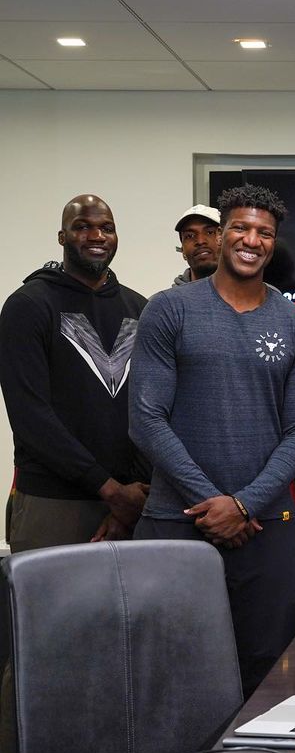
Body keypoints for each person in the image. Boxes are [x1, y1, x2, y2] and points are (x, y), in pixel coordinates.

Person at [129, 184, 295, 697]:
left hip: (269, 529)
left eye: (264, 233)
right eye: (240, 227)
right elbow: (146, 419)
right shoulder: (169, 309)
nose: (251, 240)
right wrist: (213, 503)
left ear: (274, 243)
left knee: (267, 676)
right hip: (176, 523)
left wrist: (244, 504)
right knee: (169, 675)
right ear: (220, 235)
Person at [0, 194, 149, 552]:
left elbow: (153, 407)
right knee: (50, 593)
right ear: (62, 237)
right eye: (82, 227)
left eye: (106, 228)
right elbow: (30, 416)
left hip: (130, 506)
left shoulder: (140, 308)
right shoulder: (28, 305)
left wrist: (131, 495)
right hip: (53, 502)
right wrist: (110, 490)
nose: (96, 236)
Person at [172, 204, 220, 286]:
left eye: (210, 232)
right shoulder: (170, 295)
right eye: (190, 236)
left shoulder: (244, 291)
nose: (200, 241)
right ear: (183, 251)